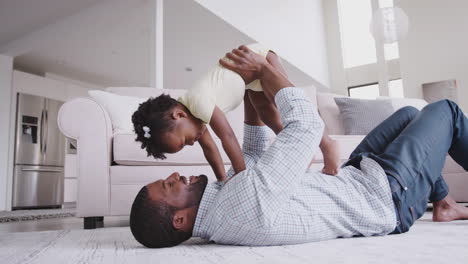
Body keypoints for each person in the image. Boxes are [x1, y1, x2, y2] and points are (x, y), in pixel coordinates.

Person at [129, 45, 468, 248]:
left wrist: (251, 88)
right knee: (447, 112)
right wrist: (266, 70)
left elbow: (254, 149)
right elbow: (306, 127)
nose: (174, 175)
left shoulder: (221, 203)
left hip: (356, 177)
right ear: (180, 220)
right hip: (386, 196)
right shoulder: (241, 208)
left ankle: (443, 204)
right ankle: (435, 199)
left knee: (410, 114)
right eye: (168, 186)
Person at [131, 44, 340, 184]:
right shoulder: (196, 120)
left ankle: (327, 144)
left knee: (289, 100)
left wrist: (241, 176)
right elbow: (210, 151)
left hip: (258, 56)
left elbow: (227, 137)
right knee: (268, 116)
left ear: (178, 115)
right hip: (250, 82)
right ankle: (304, 150)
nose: (192, 142)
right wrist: (222, 181)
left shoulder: (197, 101)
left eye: (185, 140)